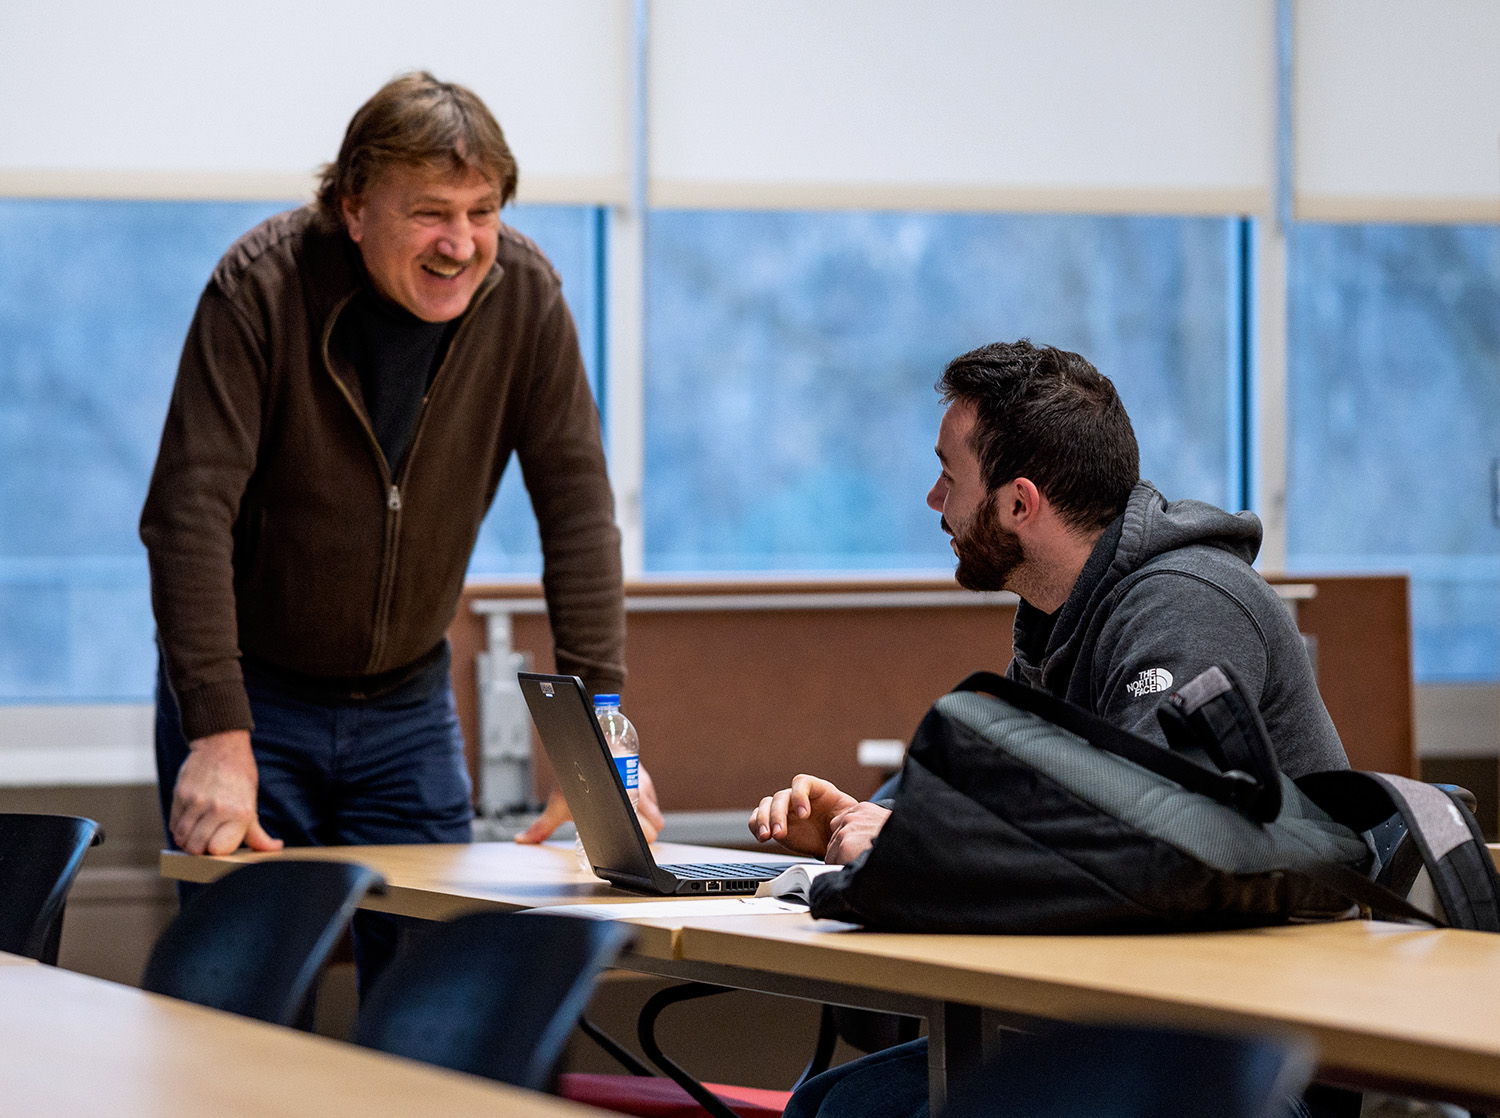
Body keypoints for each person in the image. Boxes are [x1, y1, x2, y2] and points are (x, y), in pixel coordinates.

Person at [140, 71, 660, 983]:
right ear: (353, 205)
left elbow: (578, 520)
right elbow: (187, 521)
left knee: (435, 995)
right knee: (236, 1006)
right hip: (255, 705)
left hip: (407, 714)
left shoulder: (528, 299)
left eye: (483, 210)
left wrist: (601, 748)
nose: (461, 244)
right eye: (430, 213)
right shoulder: (256, 290)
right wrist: (218, 735)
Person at [748, 339, 1349, 1118]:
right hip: (1130, 1015)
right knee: (835, 1102)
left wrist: (910, 850)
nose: (935, 501)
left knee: (848, 1113)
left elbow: (1147, 849)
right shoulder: (1060, 620)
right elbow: (1032, 804)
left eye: (949, 475)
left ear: (1019, 503)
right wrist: (880, 827)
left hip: (1243, 1056)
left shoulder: (1185, 605)